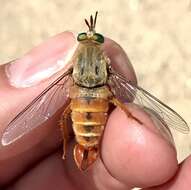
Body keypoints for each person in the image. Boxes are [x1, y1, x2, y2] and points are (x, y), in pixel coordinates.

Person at [0, 31, 190, 189]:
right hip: (97, 100)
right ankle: (125, 119)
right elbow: (121, 86)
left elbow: (47, 99)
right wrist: (129, 113)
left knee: (65, 114)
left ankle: (70, 148)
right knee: (113, 102)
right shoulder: (106, 63)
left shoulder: (73, 65)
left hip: (81, 102)